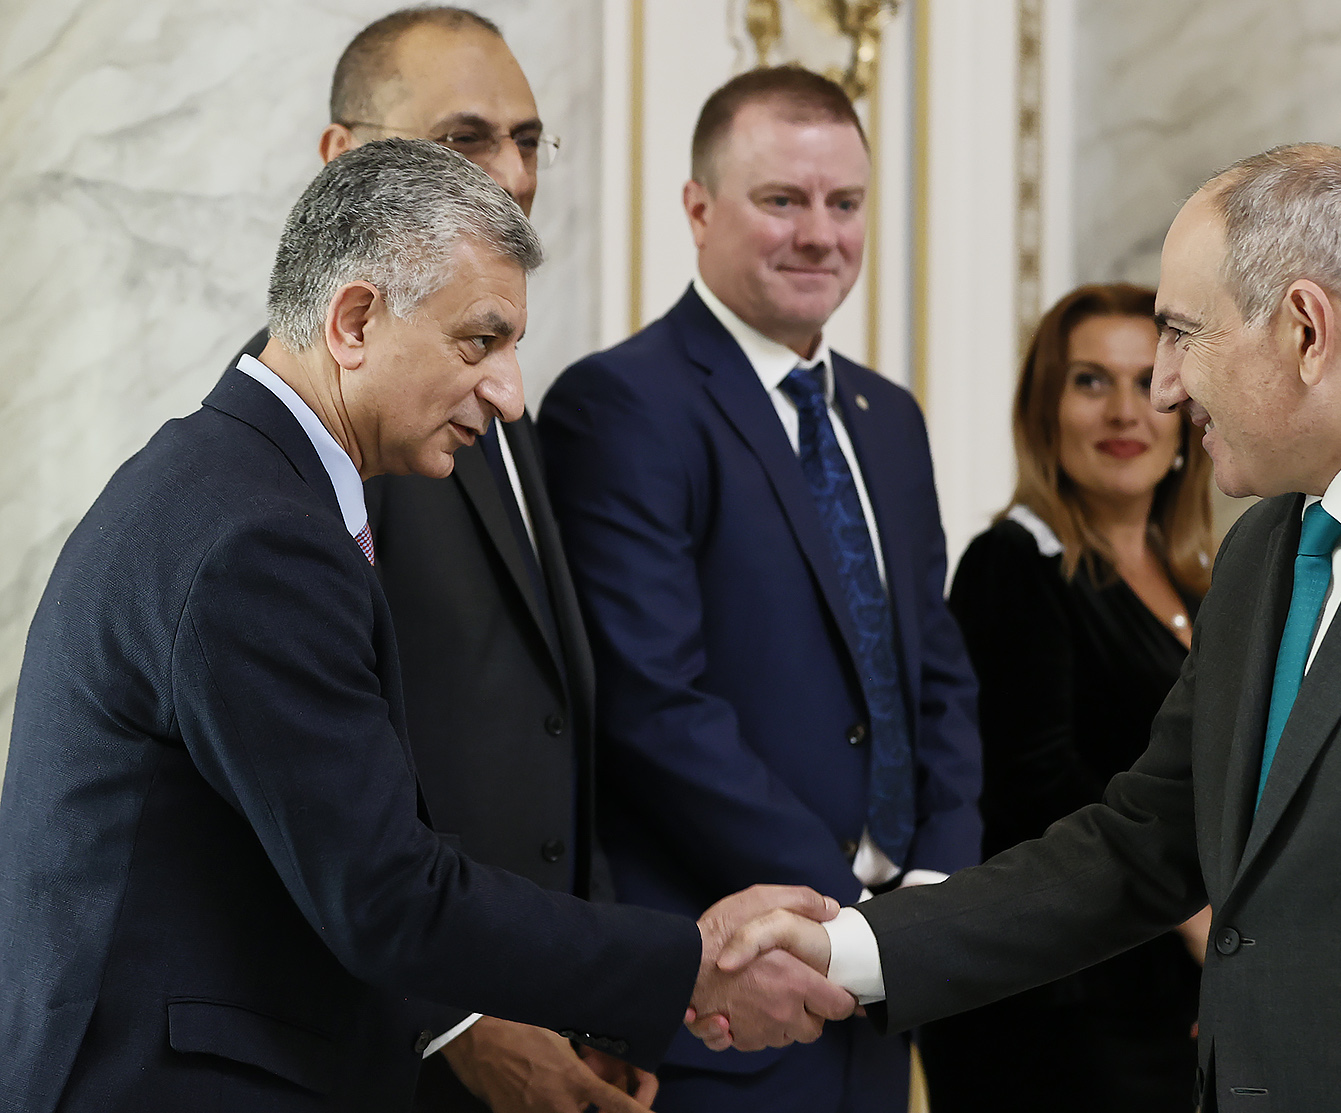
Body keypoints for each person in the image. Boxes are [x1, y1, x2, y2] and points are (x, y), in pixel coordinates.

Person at [711, 143, 1341, 1112]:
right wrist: (845, 947)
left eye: (1181, 334)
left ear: (1304, 330)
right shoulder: (1262, 548)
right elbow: (1139, 844)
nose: (1163, 387)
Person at [0, 139, 854, 1113]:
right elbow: (385, 898)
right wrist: (689, 962)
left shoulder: (228, 481)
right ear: (354, 321)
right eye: (480, 341)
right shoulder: (260, 537)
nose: (509, 392)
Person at [539, 66, 982, 1113]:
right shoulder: (619, 405)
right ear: (697, 209)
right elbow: (653, 704)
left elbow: (936, 673)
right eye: (782, 199)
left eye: (845, 202)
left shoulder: (889, 417)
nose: (819, 234)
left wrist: (933, 890)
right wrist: (846, 913)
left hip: (879, 994)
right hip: (726, 999)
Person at [227, 10, 638, 1108]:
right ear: (342, 162)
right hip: (410, 1045)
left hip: (543, 1009)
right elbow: (309, 789)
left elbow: (552, 718)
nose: (513, 174)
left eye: (528, 138)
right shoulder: (305, 430)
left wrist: (592, 996)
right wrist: (455, 1020)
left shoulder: (491, 396)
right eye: (464, 140)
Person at [915, 283, 1213, 1112]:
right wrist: (1200, 922)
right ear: (1044, 411)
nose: (1124, 411)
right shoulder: (1013, 564)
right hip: (1061, 1005)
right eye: (1089, 381)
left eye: (1146, 379)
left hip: (1173, 990)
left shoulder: (1205, 579)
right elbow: (1036, 782)